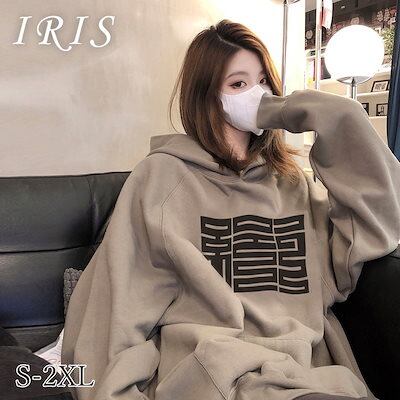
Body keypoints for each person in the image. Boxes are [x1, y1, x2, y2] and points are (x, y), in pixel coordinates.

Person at [61, 19, 400, 400]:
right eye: (238, 84)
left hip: (306, 370)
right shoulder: (161, 178)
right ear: (206, 96)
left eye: (264, 82)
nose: (257, 95)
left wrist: (340, 117)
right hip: (215, 371)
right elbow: (118, 302)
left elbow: (373, 233)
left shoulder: (292, 182)